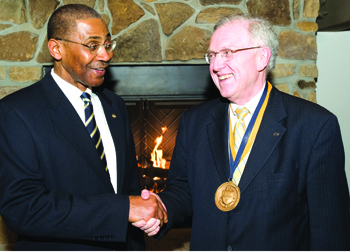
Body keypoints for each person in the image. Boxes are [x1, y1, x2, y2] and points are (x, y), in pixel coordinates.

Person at [136, 14, 350, 250]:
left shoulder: (315, 127)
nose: (215, 66)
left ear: (261, 58)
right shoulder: (194, 121)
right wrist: (161, 208)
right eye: (212, 55)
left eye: (228, 53)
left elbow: (330, 232)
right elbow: (184, 189)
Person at [0, 4, 166, 251]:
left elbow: (129, 188)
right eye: (92, 45)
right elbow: (24, 208)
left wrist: (146, 215)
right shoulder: (16, 112)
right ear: (56, 49)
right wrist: (123, 210)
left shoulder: (115, 105)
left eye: (107, 44)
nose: (106, 55)